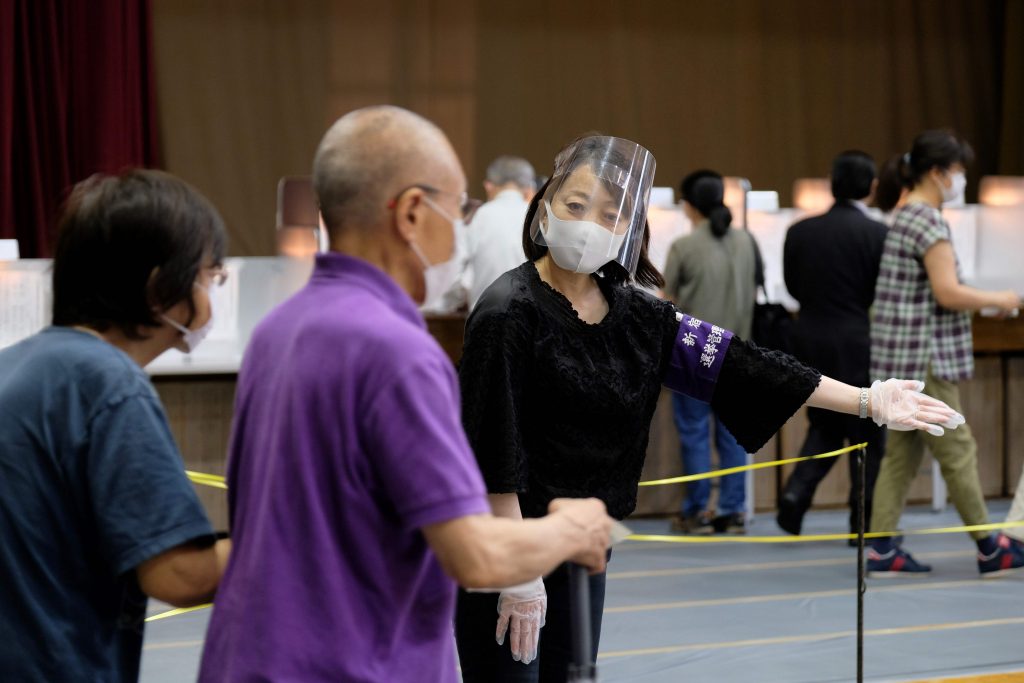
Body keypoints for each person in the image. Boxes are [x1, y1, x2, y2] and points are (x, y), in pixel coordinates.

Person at [455, 134, 965, 682]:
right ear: (545, 208)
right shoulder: (508, 311)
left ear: (627, 228)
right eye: (575, 206)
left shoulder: (636, 315)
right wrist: (516, 572)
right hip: (508, 545)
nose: (589, 224)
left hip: (582, 546)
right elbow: (492, 445)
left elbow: (744, 364)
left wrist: (867, 399)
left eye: (609, 213)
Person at [197, 106, 613, 683]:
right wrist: (572, 529)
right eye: (458, 206)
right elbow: (471, 552)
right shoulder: (397, 351)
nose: (461, 228)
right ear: (414, 212)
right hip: (353, 662)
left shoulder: (278, 330)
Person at [0, 170, 232, 682]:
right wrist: (295, 536)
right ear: (158, 287)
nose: (212, 291)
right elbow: (178, 574)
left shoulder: (16, 366)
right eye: (208, 275)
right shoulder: (106, 384)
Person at [867, 129, 1024, 577]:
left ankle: (882, 546)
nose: (959, 180)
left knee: (901, 453)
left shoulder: (904, 215)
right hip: (925, 356)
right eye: (956, 171)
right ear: (937, 173)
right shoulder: (928, 220)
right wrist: (1000, 298)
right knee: (958, 448)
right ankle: (989, 545)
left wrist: (983, 300)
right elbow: (948, 292)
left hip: (903, 353)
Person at [777, 151, 888, 541]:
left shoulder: (800, 230)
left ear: (831, 181)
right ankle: (862, 523)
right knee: (867, 431)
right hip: (858, 337)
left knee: (823, 423)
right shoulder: (878, 234)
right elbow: (881, 291)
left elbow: (791, 286)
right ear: (872, 187)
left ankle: (795, 495)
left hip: (808, 335)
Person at [662, 170, 758, 534]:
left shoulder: (684, 247)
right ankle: (732, 511)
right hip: (739, 351)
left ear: (689, 206)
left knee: (694, 433)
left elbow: (666, 302)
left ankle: (697, 510)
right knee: (732, 435)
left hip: (694, 355)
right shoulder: (746, 241)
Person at [435, 155, 535, 311]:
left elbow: (456, 272)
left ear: (489, 186)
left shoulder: (479, 217)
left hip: (486, 318)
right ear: (529, 188)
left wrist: (443, 306)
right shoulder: (538, 218)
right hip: (533, 320)